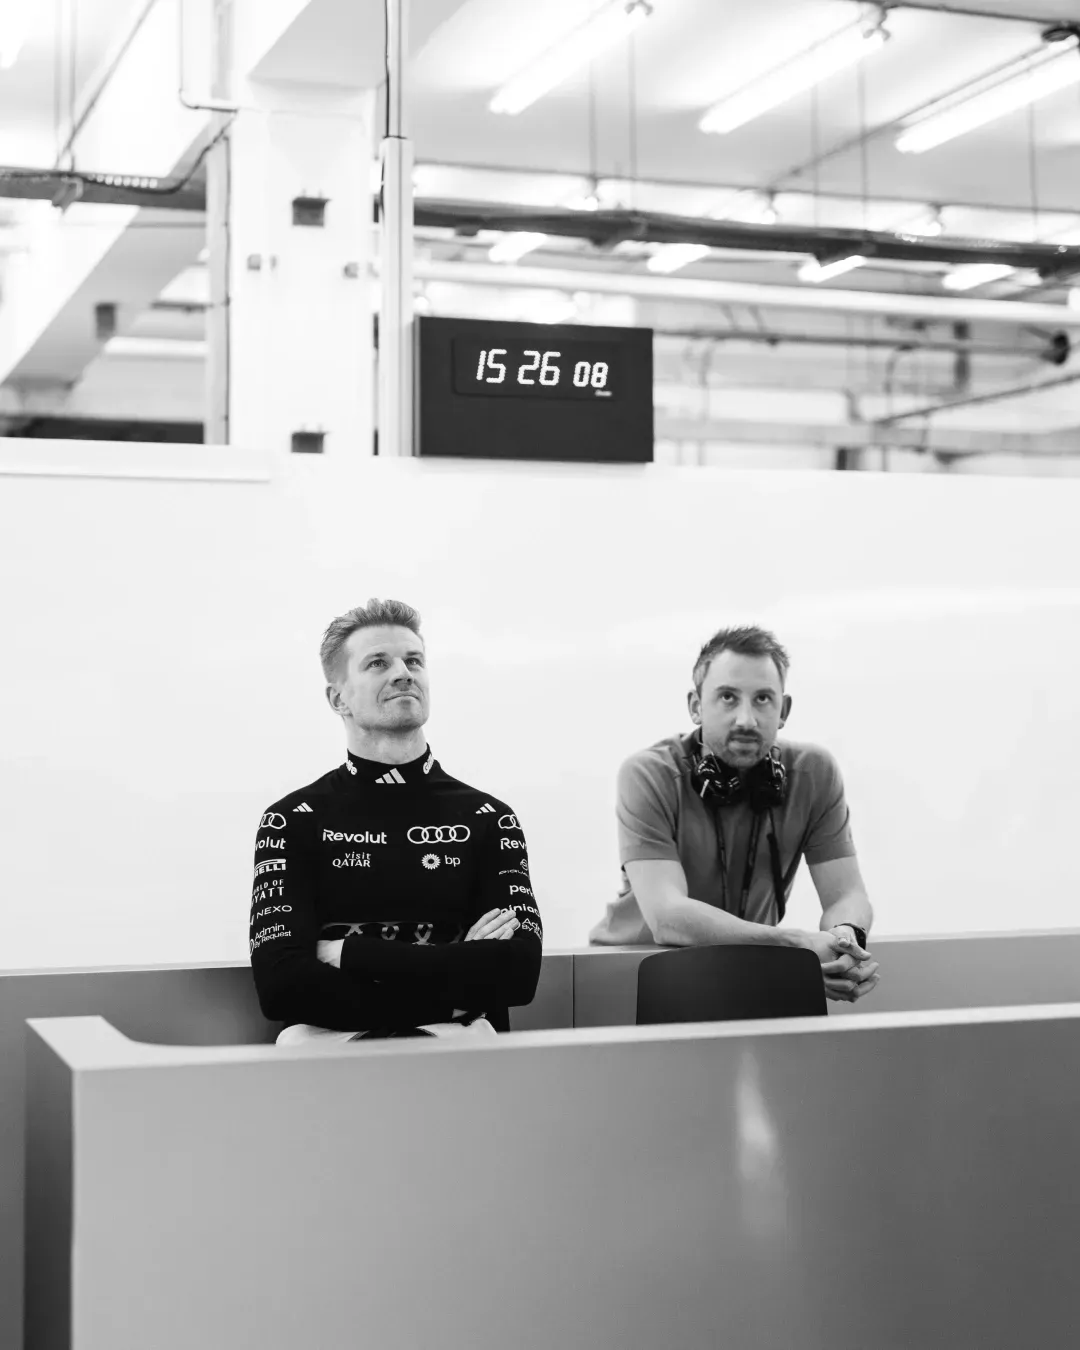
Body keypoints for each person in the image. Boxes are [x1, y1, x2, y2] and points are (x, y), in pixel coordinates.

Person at [249, 598, 543, 1044]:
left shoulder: (489, 818)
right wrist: (456, 982)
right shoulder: (292, 820)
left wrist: (351, 953)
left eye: (414, 661)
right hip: (332, 1066)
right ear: (337, 698)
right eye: (377, 663)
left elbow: (518, 975)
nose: (403, 673)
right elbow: (283, 989)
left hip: (465, 1063)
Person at [589, 625, 879, 1003]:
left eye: (762, 699)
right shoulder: (647, 774)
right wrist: (795, 945)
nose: (746, 719)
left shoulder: (815, 773)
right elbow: (668, 916)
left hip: (752, 971)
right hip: (633, 976)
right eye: (728, 697)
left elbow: (847, 893)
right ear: (696, 706)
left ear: (784, 710)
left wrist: (845, 939)